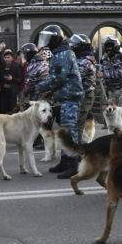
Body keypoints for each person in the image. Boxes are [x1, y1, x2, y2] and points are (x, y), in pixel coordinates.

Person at [36, 25, 84, 179]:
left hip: (71, 96)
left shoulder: (63, 54)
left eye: (48, 38)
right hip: (66, 96)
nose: (46, 42)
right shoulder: (60, 52)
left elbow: (58, 78)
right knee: (64, 130)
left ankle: (74, 164)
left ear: (55, 38)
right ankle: (65, 160)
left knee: (69, 131)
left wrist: (41, 86)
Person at [69, 34, 97, 124]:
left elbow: (75, 77)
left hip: (85, 94)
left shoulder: (84, 61)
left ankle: (78, 139)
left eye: (75, 45)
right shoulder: (80, 58)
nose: (73, 47)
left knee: (78, 123)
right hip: (81, 94)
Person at [99, 36, 122, 107]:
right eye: (107, 46)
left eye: (110, 46)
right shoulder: (105, 59)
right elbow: (103, 71)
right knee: (113, 115)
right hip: (111, 91)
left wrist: (104, 75)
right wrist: (103, 80)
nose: (108, 49)